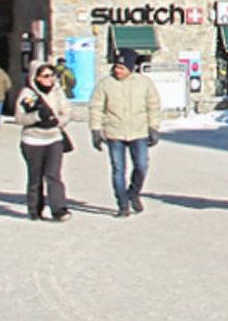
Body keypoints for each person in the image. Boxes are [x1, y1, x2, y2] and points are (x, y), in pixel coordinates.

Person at [88, 52, 161, 219]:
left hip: (139, 131)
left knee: (142, 166)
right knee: (118, 169)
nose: (118, 71)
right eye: (116, 67)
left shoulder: (144, 83)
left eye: (121, 68)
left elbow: (153, 105)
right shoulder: (105, 84)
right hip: (114, 132)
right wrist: (96, 130)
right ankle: (122, 204)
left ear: (131, 68)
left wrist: (154, 127)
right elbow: (96, 107)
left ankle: (133, 192)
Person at [17, 62, 71, 221]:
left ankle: (59, 209)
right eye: (46, 76)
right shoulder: (27, 93)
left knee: (53, 175)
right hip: (32, 140)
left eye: (52, 75)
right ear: (36, 77)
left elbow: (67, 111)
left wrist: (61, 120)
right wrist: (36, 117)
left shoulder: (57, 91)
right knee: (35, 177)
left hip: (54, 138)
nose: (50, 79)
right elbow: (19, 118)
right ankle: (34, 210)